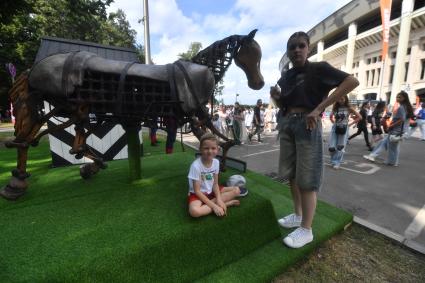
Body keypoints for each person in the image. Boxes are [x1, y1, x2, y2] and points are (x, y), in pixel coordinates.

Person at [270, 31, 359, 248]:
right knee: (291, 175)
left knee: (308, 178)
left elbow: (351, 81)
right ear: (288, 52)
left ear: (308, 48)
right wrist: (277, 97)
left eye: (301, 45)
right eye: (292, 47)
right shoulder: (286, 76)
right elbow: (284, 105)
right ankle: (298, 216)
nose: (297, 50)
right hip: (288, 123)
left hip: (308, 124)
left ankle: (306, 230)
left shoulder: (319, 68)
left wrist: (320, 108)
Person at [187, 133, 247, 218]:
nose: (210, 151)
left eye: (213, 148)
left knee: (237, 190)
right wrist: (214, 206)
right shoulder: (196, 166)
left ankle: (218, 202)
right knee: (194, 212)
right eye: (206, 148)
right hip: (199, 193)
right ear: (200, 149)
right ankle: (226, 203)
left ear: (217, 149)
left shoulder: (216, 162)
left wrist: (219, 199)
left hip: (212, 189)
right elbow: (197, 191)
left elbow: (215, 184)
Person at [363, 91, 414, 166]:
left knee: (392, 147)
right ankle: (377, 157)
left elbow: (402, 119)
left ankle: (390, 161)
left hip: (396, 130)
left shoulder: (402, 107)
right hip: (400, 130)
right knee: (386, 144)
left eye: (399, 97)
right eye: (397, 96)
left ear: (404, 98)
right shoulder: (407, 107)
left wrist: (391, 125)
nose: (397, 98)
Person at [328, 95, 361, 169]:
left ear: (346, 99)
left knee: (340, 146)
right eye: (339, 99)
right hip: (335, 128)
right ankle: (333, 160)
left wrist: (350, 124)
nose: (340, 100)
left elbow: (359, 117)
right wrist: (334, 123)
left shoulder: (349, 108)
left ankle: (337, 162)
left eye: (342, 99)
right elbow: (330, 116)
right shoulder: (335, 108)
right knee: (331, 146)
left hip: (344, 128)